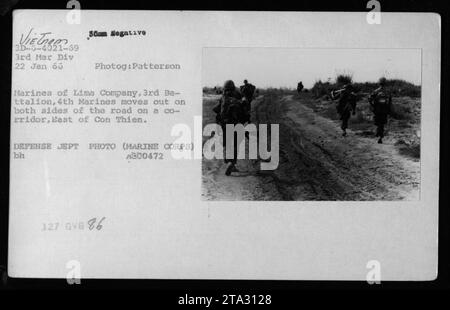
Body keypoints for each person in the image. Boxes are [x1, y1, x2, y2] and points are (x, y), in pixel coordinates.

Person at [213, 80, 246, 175]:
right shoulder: (238, 99)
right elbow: (244, 113)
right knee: (235, 144)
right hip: (235, 124)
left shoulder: (223, 98)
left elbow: (215, 109)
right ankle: (232, 163)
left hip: (224, 124)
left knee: (227, 143)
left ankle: (228, 162)